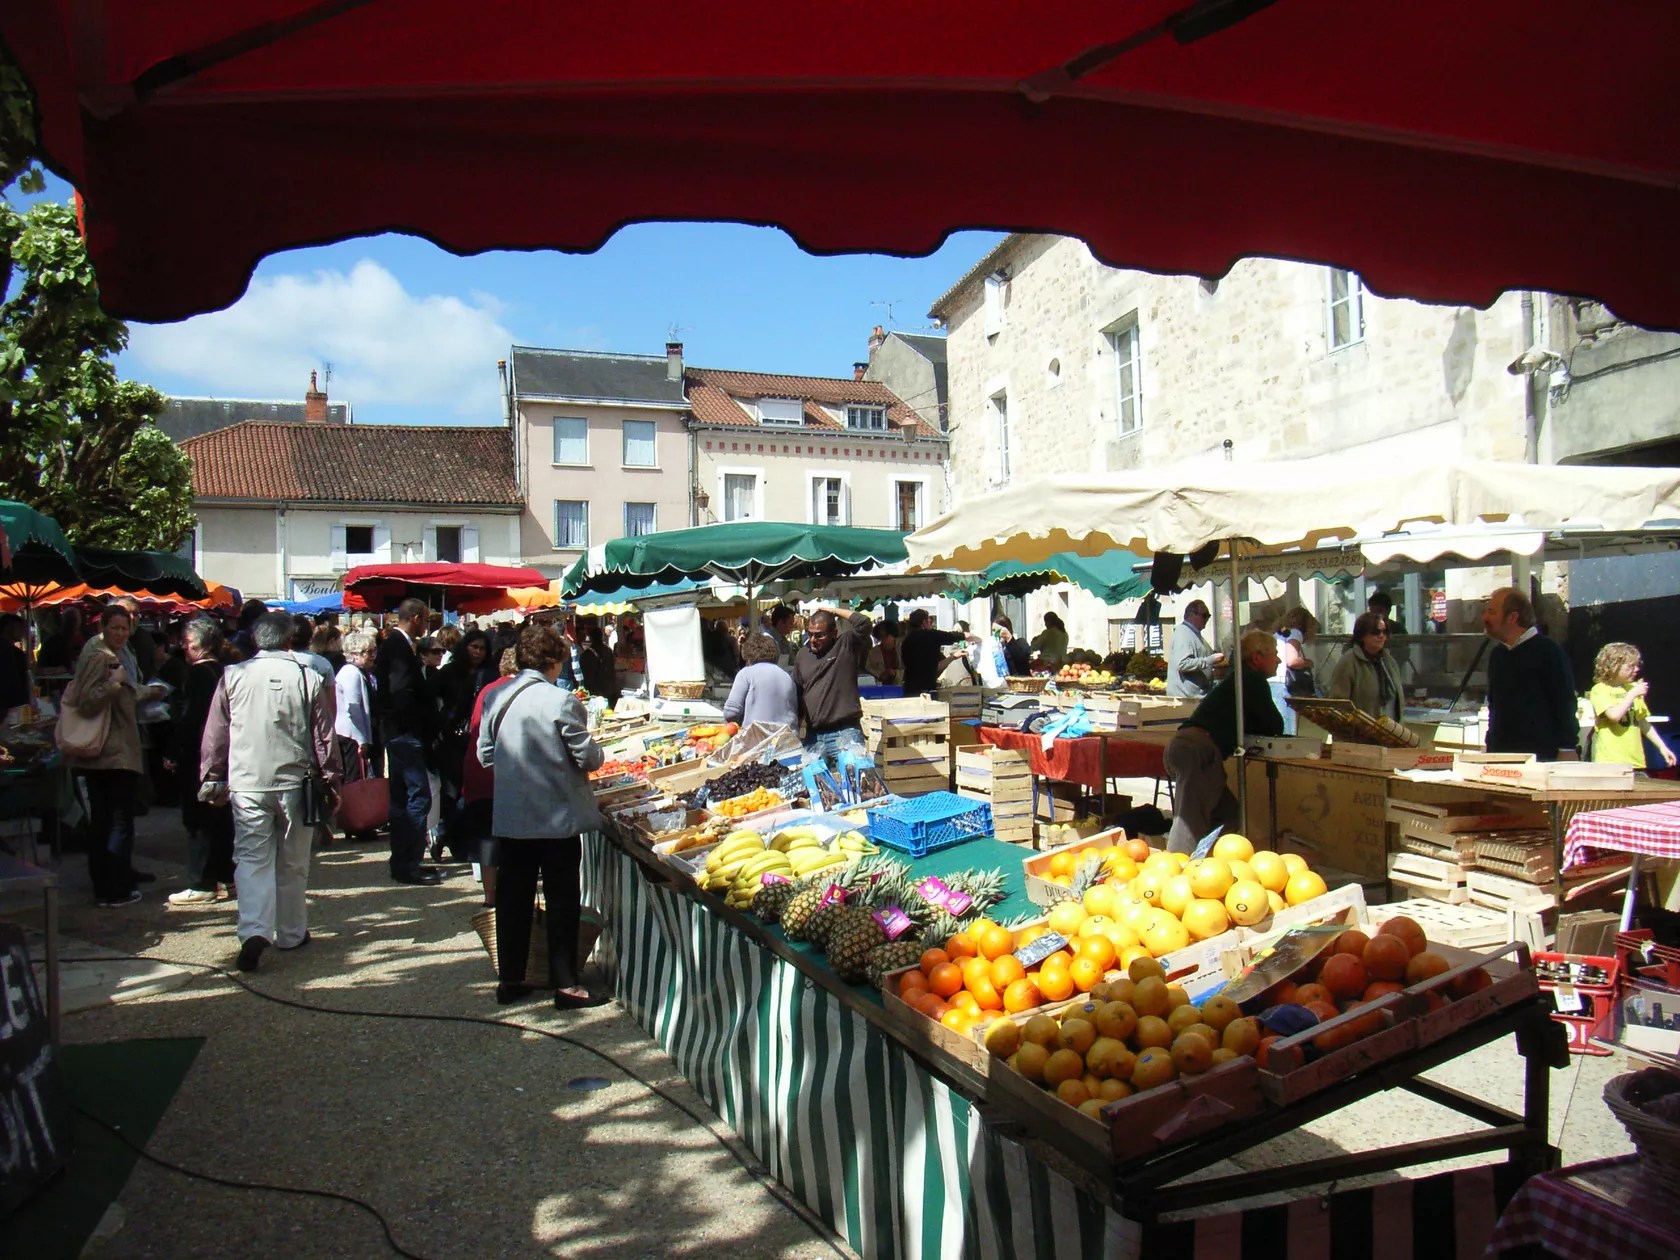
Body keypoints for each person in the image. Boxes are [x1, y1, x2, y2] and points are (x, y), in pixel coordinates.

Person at [199, 610, 343, 971]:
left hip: (247, 780)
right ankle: (292, 931)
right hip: (295, 780)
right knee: (294, 860)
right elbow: (324, 736)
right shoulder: (306, 676)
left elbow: (216, 733)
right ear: (290, 640)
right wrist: (332, 778)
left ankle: (253, 930)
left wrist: (212, 775)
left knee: (251, 859)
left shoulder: (232, 676)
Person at [477, 623, 605, 1010]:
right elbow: (590, 757)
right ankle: (566, 984)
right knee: (561, 899)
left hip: (513, 816)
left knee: (512, 898)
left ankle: (510, 978)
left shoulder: (496, 697)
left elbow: (484, 755)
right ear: (552, 661)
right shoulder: (561, 700)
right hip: (555, 818)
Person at [65, 605, 160, 905]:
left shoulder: (114, 654)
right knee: (112, 821)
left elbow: (124, 692)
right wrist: (114, 683)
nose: (120, 633)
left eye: (125, 628)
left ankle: (117, 878)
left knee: (115, 820)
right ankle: (111, 888)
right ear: (103, 627)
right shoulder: (99, 656)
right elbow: (86, 701)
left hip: (115, 749)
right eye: (115, 627)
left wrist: (145, 691)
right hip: (106, 751)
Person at [1163, 629, 1283, 854]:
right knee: (1189, 823)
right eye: (1274, 653)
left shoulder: (1239, 680)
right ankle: (1175, 872)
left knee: (1226, 814)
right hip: (1199, 750)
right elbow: (1274, 725)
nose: (1278, 659)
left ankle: (1210, 864)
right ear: (1257, 658)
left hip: (1187, 745)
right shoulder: (1251, 680)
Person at [164, 618, 236, 905]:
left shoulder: (197, 674)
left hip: (200, 755)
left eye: (189, 641)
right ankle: (226, 878)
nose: (184, 646)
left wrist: (173, 750)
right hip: (224, 754)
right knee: (221, 818)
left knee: (198, 819)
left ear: (202, 644)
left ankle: (202, 882)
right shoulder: (225, 671)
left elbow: (191, 718)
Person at [375, 597, 443, 885]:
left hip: (397, 733)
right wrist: (414, 727)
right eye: (425, 620)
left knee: (403, 799)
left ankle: (404, 861)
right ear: (416, 618)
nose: (426, 626)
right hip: (404, 734)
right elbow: (401, 693)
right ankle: (409, 862)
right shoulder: (398, 646)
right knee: (418, 797)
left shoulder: (395, 645)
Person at [1482, 587, 1579, 761]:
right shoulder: (1498, 655)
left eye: (1492, 612)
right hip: (1502, 755)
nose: (1485, 618)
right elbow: (1495, 706)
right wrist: (1491, 746)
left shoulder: (1547, 651)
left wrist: (1567, 747)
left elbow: (1564, 701)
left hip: (1540, 756)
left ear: (1512, 617)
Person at [462, 647, 520, 907]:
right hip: (504, 775)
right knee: (509, 840)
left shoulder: (488, 689)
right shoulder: (518, 692)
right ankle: (509, 894)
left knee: (488, 838)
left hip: (478, 771)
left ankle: (490, 896)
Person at [792, 609, 871, 766]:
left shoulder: (845, 645)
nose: (813, 639)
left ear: (834, 633)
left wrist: (832, 610)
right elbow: (799, 692)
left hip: (845, 731)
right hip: (814, 736)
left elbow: (864, 623)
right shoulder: (802, 655)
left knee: (855, 784)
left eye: (819, 635)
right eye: (810, 634)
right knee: (814, 786)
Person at [1589, 642, 1675, 769]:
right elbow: (1614, 716)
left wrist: (1662, 747)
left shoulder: (1632, 689)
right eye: (1630, 666)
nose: (1636, 669)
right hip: (1610, 763)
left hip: (1636, 762)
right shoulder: (1600, 690)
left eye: (1637, 665)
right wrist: (1632, 694)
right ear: (1614, 666)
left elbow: (1642, 722)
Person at [1326, 612, 1404, 723]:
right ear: (1362, 635)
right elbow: (1338, 707)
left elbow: (1397, 701)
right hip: (1359, 735)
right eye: (1376, 632)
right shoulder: (1348, 662)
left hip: (1390, 734)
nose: (1381, 636)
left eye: (1385, 631)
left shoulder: (1389, 661)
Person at [723, 634, 800, 730]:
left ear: (748, 657)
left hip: (758, 738)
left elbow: (731, 713)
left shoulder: (746, 673)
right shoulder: (786, 676)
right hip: (786, 738)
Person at [335, 629, 378, 791]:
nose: (373, 655)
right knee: (353, 778)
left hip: (354, 734)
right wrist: (361, 740)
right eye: (368, 652)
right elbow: (353, 708)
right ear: (355, 654)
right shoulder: (350, 673)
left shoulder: (363, 673)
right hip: (350, 735)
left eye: (374, 651)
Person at [899, 609, 973, 695]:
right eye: (930, 621)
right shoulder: (931, 635)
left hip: (910, 688)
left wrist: (953, 657)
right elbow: (958, 636)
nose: (932, 624)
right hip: (928, 689)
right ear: (924, 622)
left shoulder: (906, 641)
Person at [1271, 607, 1318, 735]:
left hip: (1271, 681)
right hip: (1283, 684)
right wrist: (1308, 663)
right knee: (1287, 730)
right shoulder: (1295, 633)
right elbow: (1291, 661)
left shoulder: (1279, 634)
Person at [1166, 599, 1224, 699]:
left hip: (1195, 697)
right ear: (1192, 615)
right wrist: (1209, 660)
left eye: (1208, 616)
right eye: (1204, 615)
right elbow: (1182, 664)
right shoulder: (1183, 633)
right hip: (1185, 700)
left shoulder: (1194, 634)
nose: (1207, 619)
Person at [575, 616, 620, 704]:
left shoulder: (586, 654)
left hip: (595, 690)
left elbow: (584, 673)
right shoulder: (608, 651)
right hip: (609, 688)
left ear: (591, 638)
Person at [36, 606, 86, 670]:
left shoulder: (79, 640)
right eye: (70, 620)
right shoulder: (53, 642)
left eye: (74, 620)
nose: (72, 624)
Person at [0, 613, 29, 712]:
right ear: (10, 627)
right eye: (20, 627)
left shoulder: (14, 651)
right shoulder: (10, 651)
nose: (23, 631)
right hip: (10, 705)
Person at [865, 621, 902, 685]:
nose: (883, 639)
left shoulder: (902, 649)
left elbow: (909, 669)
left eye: (886, 636)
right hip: (880, 687)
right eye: (881, 637)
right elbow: (868, 669)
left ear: (893, 635)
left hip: (901, 686)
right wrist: (880, 675)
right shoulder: (872, 652)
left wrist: (895, 673)